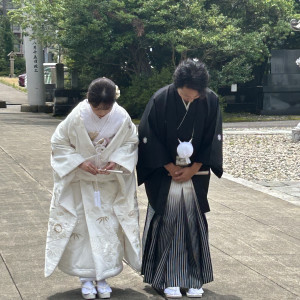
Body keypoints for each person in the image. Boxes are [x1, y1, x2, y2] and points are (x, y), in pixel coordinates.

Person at [45, 77, 141, 299]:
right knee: (83, 231)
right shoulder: (77, 116)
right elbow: (58, 143)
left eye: (104, 110)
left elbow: (130, 143)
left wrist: (116, 160)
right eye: (96, 108)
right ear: (88, 101)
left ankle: (103, 276)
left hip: (108, 184)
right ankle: (86, 278)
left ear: (113, 103)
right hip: (82, 182)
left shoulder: (121, 117)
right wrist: (79, 161)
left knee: (108, 229)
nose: (100, 113)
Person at [137, 59, 223, 298]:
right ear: (177, 85)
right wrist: (168, 166)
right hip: (165, 175)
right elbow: (147, 135)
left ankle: (195, 278)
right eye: (186, 96)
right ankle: (166, 278)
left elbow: (212, 137)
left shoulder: (211, 100)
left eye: (195, 98)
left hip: (195, 175)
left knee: (194, 225)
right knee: (168, 223)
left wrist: (194, 168)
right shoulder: (161, 99)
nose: (190, 100)